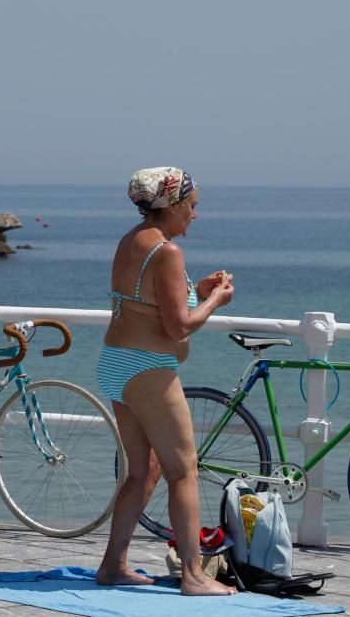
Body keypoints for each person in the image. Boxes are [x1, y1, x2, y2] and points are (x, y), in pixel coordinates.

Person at [95, 167, 235, 596]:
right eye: (192, 206)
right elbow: (178, 327)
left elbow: (147, 303)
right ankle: (194, 575)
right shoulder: (168, 253)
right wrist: (215, 299)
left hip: (115, 363)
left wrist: (196, 288)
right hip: (148, 368)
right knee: (183, 470)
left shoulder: (132, 240)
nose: (195, 214)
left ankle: (113, 566)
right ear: (172, 205)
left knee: (144, 471)